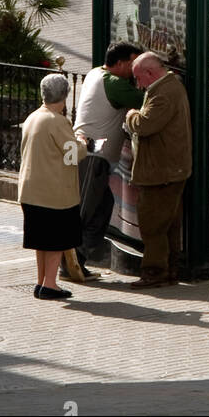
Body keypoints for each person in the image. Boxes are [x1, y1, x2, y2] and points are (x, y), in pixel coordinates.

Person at [69, 43, 143, 274]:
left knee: (101, 208)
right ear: (119, 63)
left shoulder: (95, 73)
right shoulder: (114, 84)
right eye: (133, 64)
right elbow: (145, 100)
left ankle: (77, 260)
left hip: (88, 154)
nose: (135, 70)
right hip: (93, 157)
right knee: (87, 210)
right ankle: (70, 264)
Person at [125, 51, 192, 288]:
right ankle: (170, 270)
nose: (138, 84)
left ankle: (154, 272)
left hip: (161, 172)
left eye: (138, 78)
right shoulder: (168, 87)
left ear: (150, 73)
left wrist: (131, 115)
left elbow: (145, 125)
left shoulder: (163, 93)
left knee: (152, 225)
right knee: (168, 225)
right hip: (170, 170)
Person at [18, 72, 87, 301]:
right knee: (57, 239)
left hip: (31, 190)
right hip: (54, 193)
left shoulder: (33, 117)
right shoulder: (57, 121)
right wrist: (82, 142)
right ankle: (50, 284)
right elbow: (72, 155)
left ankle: (41, 282)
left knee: (41, 240)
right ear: (65, 96)